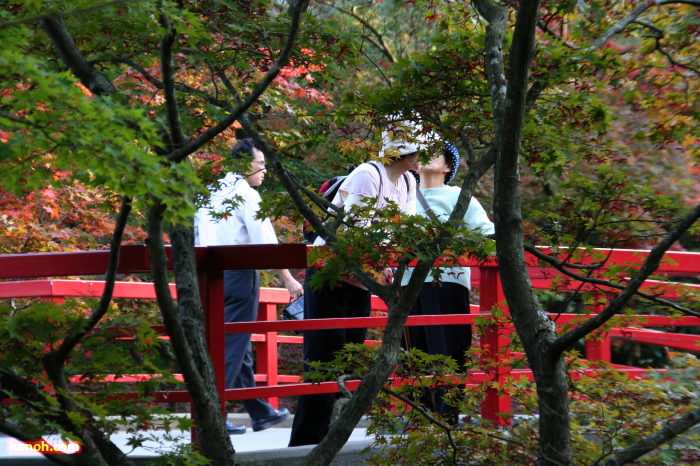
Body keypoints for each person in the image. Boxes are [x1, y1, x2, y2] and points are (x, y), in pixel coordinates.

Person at [289, 122, 425, 447]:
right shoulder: (368, 174)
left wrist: (389, 264)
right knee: (324, 361)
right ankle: (305, 442)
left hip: (363, 281)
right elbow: (354, 232)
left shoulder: (407, 181)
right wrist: (381, 264)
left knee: (349, 359)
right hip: (332, 275)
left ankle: (331, 437)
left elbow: (403, 233)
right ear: (403, 150)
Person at [195, 138, 303, 435]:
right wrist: (288, 278)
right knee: (231, 342)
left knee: (234, 341)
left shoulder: (212, 191)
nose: (264, 171)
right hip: (239, 274)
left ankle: (260, 411)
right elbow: (266, 244)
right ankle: (213, 414)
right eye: (260, 165)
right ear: (245, 165)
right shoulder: (247, 194)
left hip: (209, 276)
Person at [400, 142, 494, 423]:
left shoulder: (459, 196)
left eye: (435, 153)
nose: (425, 156)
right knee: (414, 349)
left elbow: (488, 235)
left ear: (448, 166)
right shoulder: (403, 196)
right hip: (408, 282)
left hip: (448, 281)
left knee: (448, 348)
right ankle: (421, 418)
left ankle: (447, 416)